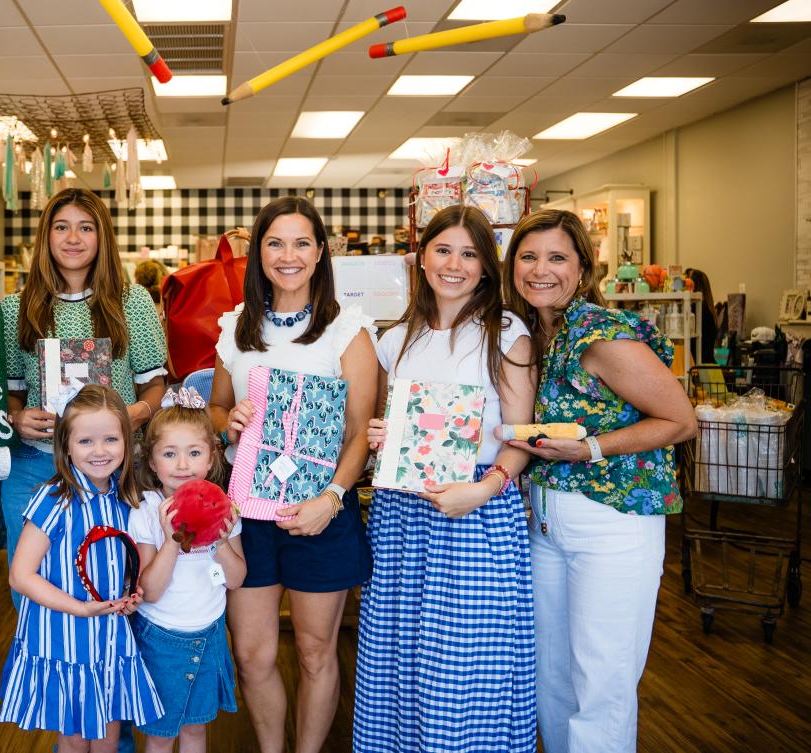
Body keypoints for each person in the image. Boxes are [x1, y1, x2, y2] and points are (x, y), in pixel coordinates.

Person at [502, 209, 697, 753]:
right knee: (553, 680)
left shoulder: (598, 333)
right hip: (545, 524)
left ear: (583, 267)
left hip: (613, 525)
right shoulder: (534, 333)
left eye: (558, 257)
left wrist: (589, 447)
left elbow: (680, 420)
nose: (542, 270)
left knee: (602, 686)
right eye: (529, 256)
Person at [355, 207, 537, 753]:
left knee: (466, 659)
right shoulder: (397, 338)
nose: (454, 264)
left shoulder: (506, 333)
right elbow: (387, 424)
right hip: (402, 514)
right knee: (400, 654)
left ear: (486, 266)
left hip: (475, 509)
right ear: (422, 258)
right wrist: (381, 434)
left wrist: (483, 489)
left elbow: (521, 436)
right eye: (443, 250)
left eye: (469, 253)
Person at [207, 196, 376, 753]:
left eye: (302, 242)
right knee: (253, 655)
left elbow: (358, 433)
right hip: (247, 515)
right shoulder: (236, 329)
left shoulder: (347, 330)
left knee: (313, 650)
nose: (288, 255)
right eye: (275, 243)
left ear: (321, 251)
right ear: (258, 252)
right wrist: (225, 418)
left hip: (321, 511)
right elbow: (216, 409)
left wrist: (331, 497)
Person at [1, 188, 167, 606]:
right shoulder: (15, 308)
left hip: (116, 469)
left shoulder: (132, 302)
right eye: (61, 227)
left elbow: (155, 385)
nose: (73, 237)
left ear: (102, 237)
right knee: (33, 590)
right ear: (46, 237)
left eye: (85, 227)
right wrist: (17, 418)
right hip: (37, 464)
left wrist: (135, 413)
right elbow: (9, 393)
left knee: (117, 584)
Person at [0, 384, 162, 752]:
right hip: (62, 640)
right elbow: (21, 575)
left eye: (110, 439)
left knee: (108, 735)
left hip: (109, 640)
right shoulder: (54, 499)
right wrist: (79, 608)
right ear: (66, 446)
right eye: (86, 441)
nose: (100, 451)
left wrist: (132, 594)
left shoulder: (128, 501)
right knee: (72, 739)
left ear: (128, 441)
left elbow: (126, 564)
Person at [125, 388, 246, 753]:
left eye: (194, 453)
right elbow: (151, 589)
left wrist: (221, 540)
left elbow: (237, 579)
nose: (182, 465)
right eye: (169, 454)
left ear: (211, 458)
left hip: (209, 634)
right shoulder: (146, 510)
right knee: (161, 735)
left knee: (196, 731)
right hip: (161, 638)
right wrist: (172, 540)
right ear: (151, 462)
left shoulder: (224, 508)